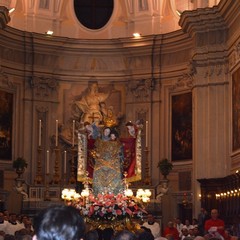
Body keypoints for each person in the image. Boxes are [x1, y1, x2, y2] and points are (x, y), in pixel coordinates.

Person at [92, 129, 124, 195]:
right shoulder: (100, 142)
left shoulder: (118, 144)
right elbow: (96, 151)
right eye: (111, 136)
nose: (112, 137)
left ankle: (114, 194)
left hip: (113, 164)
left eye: (113, 136)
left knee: (114, 178)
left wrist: (118, 156)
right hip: (101, 163)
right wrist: (96, 155)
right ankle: (100, 193)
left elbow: (120, 154)